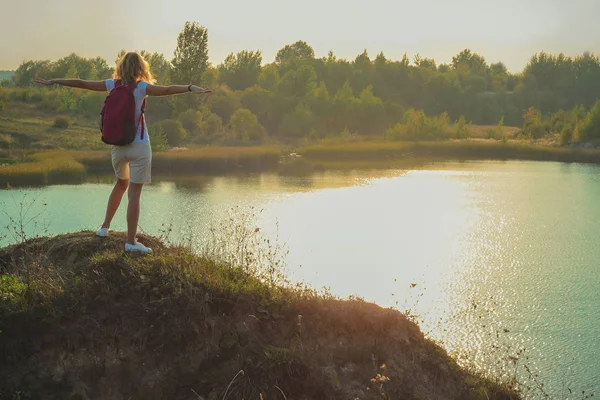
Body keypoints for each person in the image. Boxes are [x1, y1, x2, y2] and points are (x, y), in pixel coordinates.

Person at [35, 52, 211, 253]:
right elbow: (168, 89)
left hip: (117, 147)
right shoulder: (142, 87)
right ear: (140, 69)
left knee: (120, 184)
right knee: (134, 194)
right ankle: (130, 242)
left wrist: (54, 81)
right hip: (139, 146)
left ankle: (104, 228)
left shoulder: (112, 85)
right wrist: (190, 88)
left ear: (121, 67)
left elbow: (82, 83)